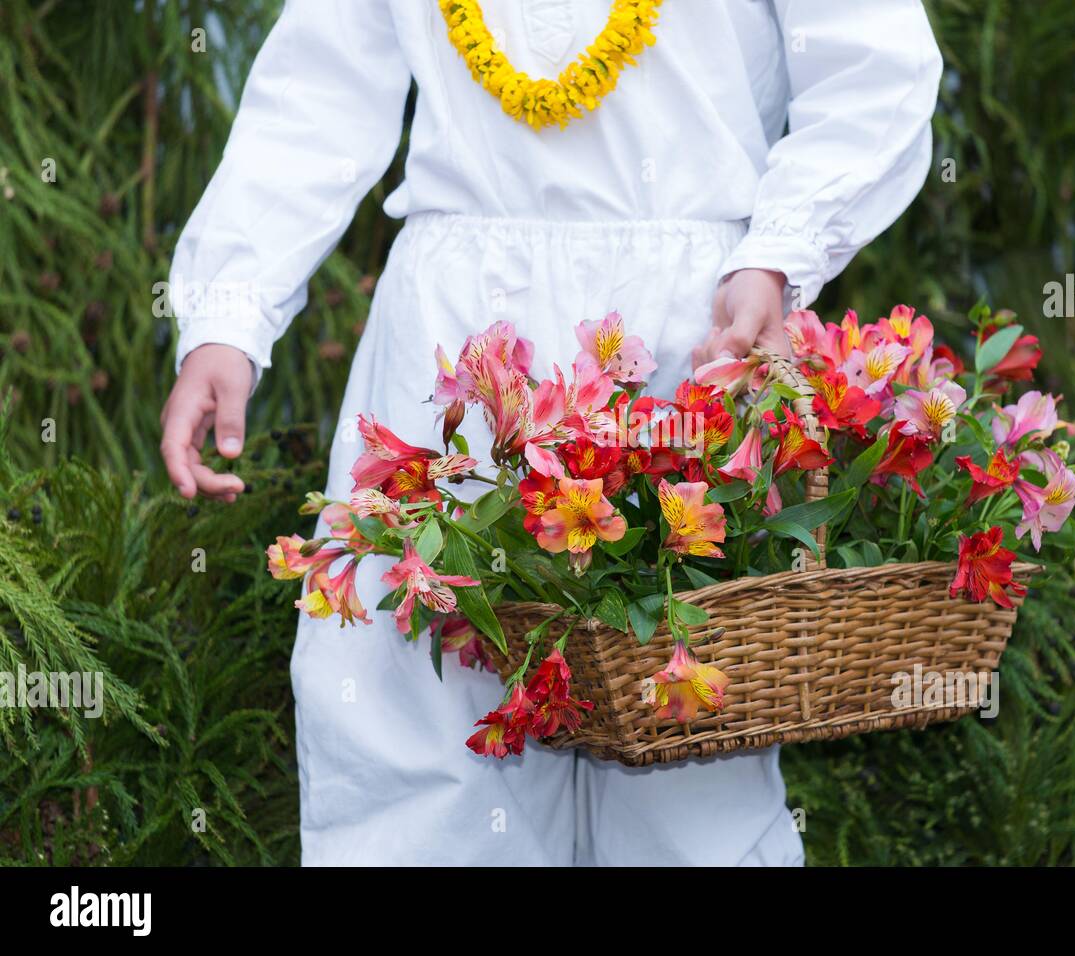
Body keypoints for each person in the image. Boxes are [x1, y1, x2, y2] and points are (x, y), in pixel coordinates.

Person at [160, 0, 942, 865]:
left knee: (688, 752)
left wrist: (780, 250)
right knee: (418, 728)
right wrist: (229, 316)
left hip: (687, 337)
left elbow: (874, 57)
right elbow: (317, 91)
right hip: (451, 361)